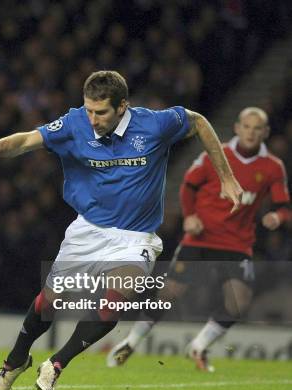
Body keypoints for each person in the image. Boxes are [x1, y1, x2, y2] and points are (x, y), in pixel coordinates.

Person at [0, 70, 243, 390]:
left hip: (136, 237)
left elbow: (198, 122)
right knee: (48, 303)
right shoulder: (74, 123)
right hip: (88, 231)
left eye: (101, 112)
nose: (93, 119)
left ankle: (55, 365)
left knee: (115, 302)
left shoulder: (155, 125)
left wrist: (226, 177)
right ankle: (14, 363)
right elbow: (27, 140)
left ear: (122, 106)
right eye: (89, 110)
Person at [107, 107, 290, 371]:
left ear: (266, 132)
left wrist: (277, 218)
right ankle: (131, 342)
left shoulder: (273, 167)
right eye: (246, 126)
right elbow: (188, 186)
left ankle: (199, 346)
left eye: (257, 128)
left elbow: (283, 206)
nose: (251, 132)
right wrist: (189, 216)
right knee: (168, 294)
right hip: (200, 238)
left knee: (238, 302)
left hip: (237, 243)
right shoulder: (216, 154)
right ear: (237, 128)